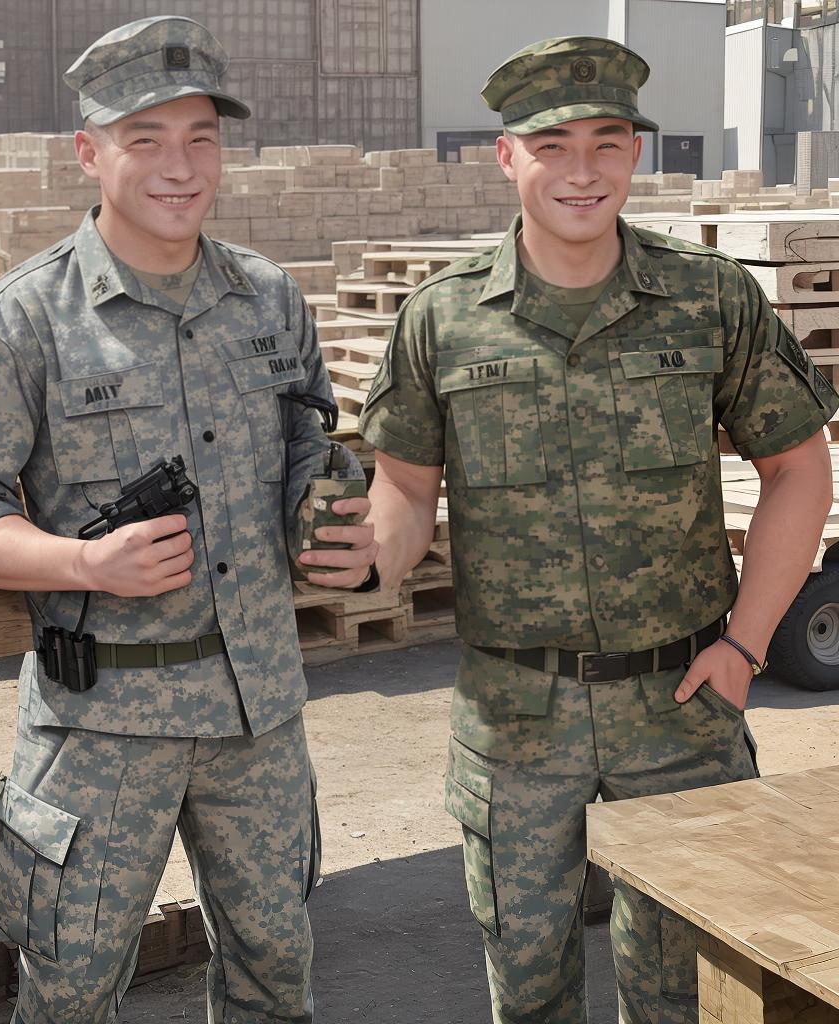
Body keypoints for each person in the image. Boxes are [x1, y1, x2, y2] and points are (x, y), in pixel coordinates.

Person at [359, 34, 837, 1024]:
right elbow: (403, 488)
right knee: (529, 989)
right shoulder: (441, 319)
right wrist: (374, 550)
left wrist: (747, 644)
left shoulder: (710, 299)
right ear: (507, 158)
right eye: (552, 144)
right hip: (513, 721)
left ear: (633, 153)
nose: (582, 171)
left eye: (607, 142)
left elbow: (796, 469)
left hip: (682, 707)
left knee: (683, 989)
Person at [0, 16, 377, 1024]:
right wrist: (87, 560)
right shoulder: (28, 319)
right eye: (147, 139)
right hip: (98, 729)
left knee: (274, 978)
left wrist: (335, 521)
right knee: (68, 993)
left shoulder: (267, 300)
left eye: (201, 138)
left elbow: (312, 440)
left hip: (256, 714)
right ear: (90, 152)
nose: (181, 165)